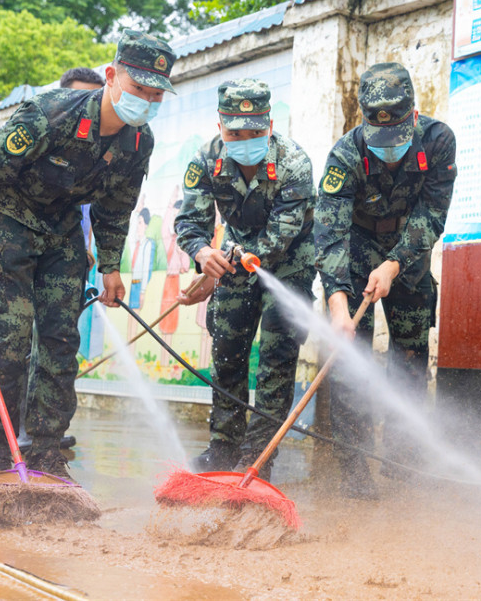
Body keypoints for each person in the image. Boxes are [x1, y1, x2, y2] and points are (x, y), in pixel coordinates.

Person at [0, 30, 177, 480]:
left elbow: (115, 207)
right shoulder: (48, 115)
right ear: (111, 76)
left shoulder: (139, 142)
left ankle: (47, 451)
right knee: (6, 343)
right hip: (7, 224)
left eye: (155, 93)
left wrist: (109, 267)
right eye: (138, 87)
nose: (145, 99)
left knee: (61, 344)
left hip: (63, 233)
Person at [314, 62, 456, 499]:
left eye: (396, 136)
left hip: (409, 255)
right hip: (354, 252)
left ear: (413, 115)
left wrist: (394, 264)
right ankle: (354, 469)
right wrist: (339, 306)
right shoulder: (345, 154)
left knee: (411, 360)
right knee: (349, 363)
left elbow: (432, 214)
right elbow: (329, 232)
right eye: (380, 138)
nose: (387, 148)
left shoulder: (438, 141)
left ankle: (401, 461)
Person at [175, 79, 315, 479]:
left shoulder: (293, 162)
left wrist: (235, 256)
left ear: (269, 124)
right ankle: (224, 448)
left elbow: (280, 235)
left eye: (254, 132)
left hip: (289, 263)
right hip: (234, 256)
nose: (245, 139)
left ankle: (257, 458)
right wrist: (203, 254)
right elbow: (190, 222)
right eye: (235, 132)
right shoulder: (205, 159)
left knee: (276, 356)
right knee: (228, 352)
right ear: (220, 124)